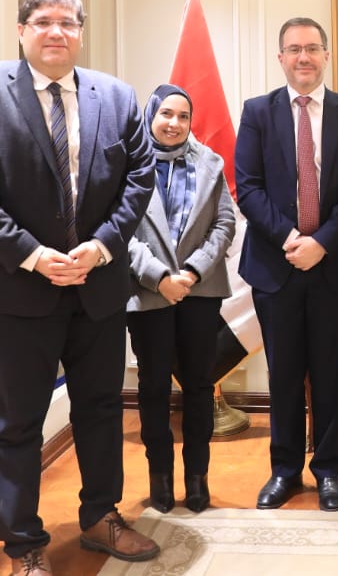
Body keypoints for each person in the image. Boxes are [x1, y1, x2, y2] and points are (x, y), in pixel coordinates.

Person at [0, 0, 159, 575]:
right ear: (21, 31)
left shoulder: (117, 97)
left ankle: (100, 516)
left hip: (98, 289)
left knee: (101, 409)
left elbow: (139, 178)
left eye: (67, 22)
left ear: (81, 32)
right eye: (43, 22)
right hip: (18, 291)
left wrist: (102, 246)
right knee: (18, 424)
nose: (56, 32)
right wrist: (33, 255)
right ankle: (23, 545)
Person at [234, 17, 338, 512]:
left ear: (327, 55)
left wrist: (322, 243)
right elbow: (247, 186)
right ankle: (285, 470)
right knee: (284, 373)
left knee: (331, 374)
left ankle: (329, 471)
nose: (304, 57)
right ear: (281, 58)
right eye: (294, 49)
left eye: (312, 48)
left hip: (333, 266)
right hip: (276, 265)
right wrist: (291, 239)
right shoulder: (257, 112)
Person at [126, 84, 236, 514]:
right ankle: (160, 477)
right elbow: (120, 230)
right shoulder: (128, 164)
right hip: (148, 292)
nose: (174, 123)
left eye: (183, 116)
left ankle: (196, 478)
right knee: (153, 387)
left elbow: (224, 223)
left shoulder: (210, 162)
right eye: (166, 114)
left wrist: (191, 272)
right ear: (151, 116)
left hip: (199, 290)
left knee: (199, 385)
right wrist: (159, 277)